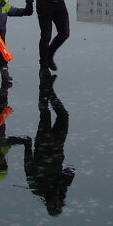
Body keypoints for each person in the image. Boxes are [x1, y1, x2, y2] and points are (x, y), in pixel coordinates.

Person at [21, 72, 74, 216]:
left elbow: (28, 166)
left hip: (43, 145)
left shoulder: (37, 188)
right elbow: (70, 171)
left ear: (49, 204)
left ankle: (45, 90)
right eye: (59, 204)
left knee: (45, 113)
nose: (57, 201)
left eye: (54, 204)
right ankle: (49, 91)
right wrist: (65, 182)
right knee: (63, 115)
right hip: (57, 145)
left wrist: (27, 145)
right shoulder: (61, 190)